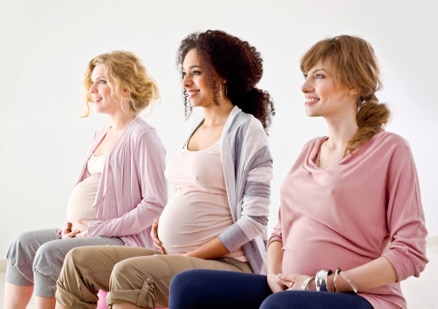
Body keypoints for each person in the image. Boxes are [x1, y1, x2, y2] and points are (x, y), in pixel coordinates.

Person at [168, 35, 429, 309]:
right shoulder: (309, 151)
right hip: (289, 289)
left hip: (359, 297)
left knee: (281, 306)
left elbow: (410, 252)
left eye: (318, 76)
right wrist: (273, 276)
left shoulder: (389, 150)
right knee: (188, 287)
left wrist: (324, 283)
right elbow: (279, 232)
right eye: (305, 76)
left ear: (353, 85)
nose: (305, 86)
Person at [54, 29, 275, 309]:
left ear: (222, 74)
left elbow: (253, 221)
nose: (185, 82)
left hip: (229, 263)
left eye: (195, 72)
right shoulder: (196, 130)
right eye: (184, 73)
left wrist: (192, 253)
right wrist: (163, 225)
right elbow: (193, 193)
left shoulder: (246, 130)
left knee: (130, 274)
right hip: (179, 254)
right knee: (77, 264)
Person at [3, 50, 168, 309]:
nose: (92, 89)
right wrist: (74, 227)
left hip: (123, 240)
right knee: (22, 244)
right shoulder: (101, 132)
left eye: (102, 81)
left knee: (48, 253)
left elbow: (154, 205)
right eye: (92, 82)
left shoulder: (143, 137)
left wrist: (97, 229)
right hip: (90, 231)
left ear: (125, 88)